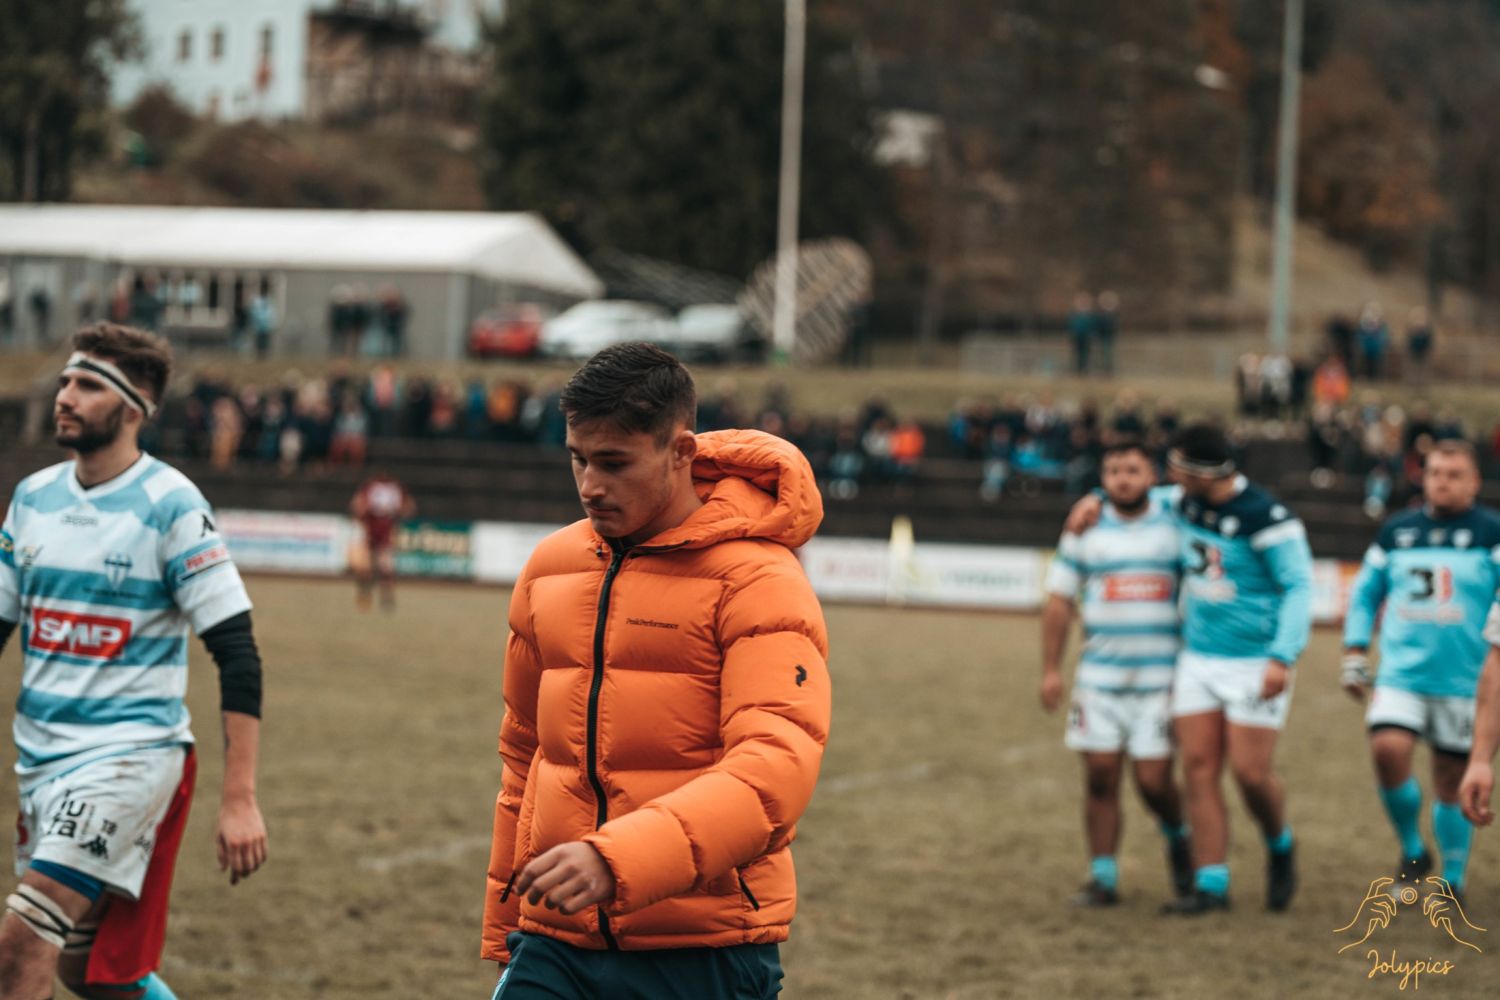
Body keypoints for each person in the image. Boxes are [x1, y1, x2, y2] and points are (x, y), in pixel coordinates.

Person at [481, 343, 830, 999]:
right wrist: (507, 930)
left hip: (704, 950)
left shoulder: (760, 581)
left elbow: (774, 770)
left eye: (614, 463)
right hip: (553, 942)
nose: (590, 485)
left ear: (680, 452)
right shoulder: (549, 569)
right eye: (578, 459)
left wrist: (619, 860)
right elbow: (524, 759)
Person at [0, 323, 268, 1000]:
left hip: (128, 759)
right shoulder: (32, 498)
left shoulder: (171, 505)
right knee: (84, 970)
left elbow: (237, 654)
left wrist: (239, 799)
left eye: (88, 385)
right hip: (41, 760)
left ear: (134, 408)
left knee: (22, 942)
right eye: (66, 380)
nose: (65, 395)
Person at [1066, 423, 1312, 915]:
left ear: (1203, 474)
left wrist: (1282, 656)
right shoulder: (1183, 501)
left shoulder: (1268, 518)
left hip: (1254, 662)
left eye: (1177, 467)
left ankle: (1279, 843)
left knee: (1250, 774)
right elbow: (1133, 493)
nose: (1170, 474)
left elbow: (1298, 587)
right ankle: (1211, 884)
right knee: (1199, 770)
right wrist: (1095, 497)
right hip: (1197, 659)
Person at [1341, 440, 1500, 901]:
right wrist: (1355, 649)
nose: (1441, 482)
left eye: (1453, 474)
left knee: (1452, 779)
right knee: (1387, 749)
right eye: (1434, 473)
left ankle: (1453, 877)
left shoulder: (1492, 533)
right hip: (1401, 675)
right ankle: (1413, 850)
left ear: (1474, 482)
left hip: (1466, 682)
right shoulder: (1397, 531)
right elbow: (1366, 593)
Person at [1041, 440, 1192, 907]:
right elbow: (1060, 601)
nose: (1122, 479)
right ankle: (1102, 877)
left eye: (1132, 470)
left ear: (1152, 476)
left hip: (1160, 683)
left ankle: (1179, 835)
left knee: (1153, 782)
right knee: (1100, 777)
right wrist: (1050, 669)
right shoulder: (1084, 528)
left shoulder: (1175, 521)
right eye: (1112, 472)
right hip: (1099, 683)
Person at [349, 471, 414, 612]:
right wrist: (361, 514)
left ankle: (386, 598)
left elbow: (409, 507)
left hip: (386, 528)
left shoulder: (394, 487)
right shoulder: (370, 487)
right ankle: (365, 594)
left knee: (386, 566)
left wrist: (399, 514)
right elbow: (356, 504)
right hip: (369, 527)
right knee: (365, 566)